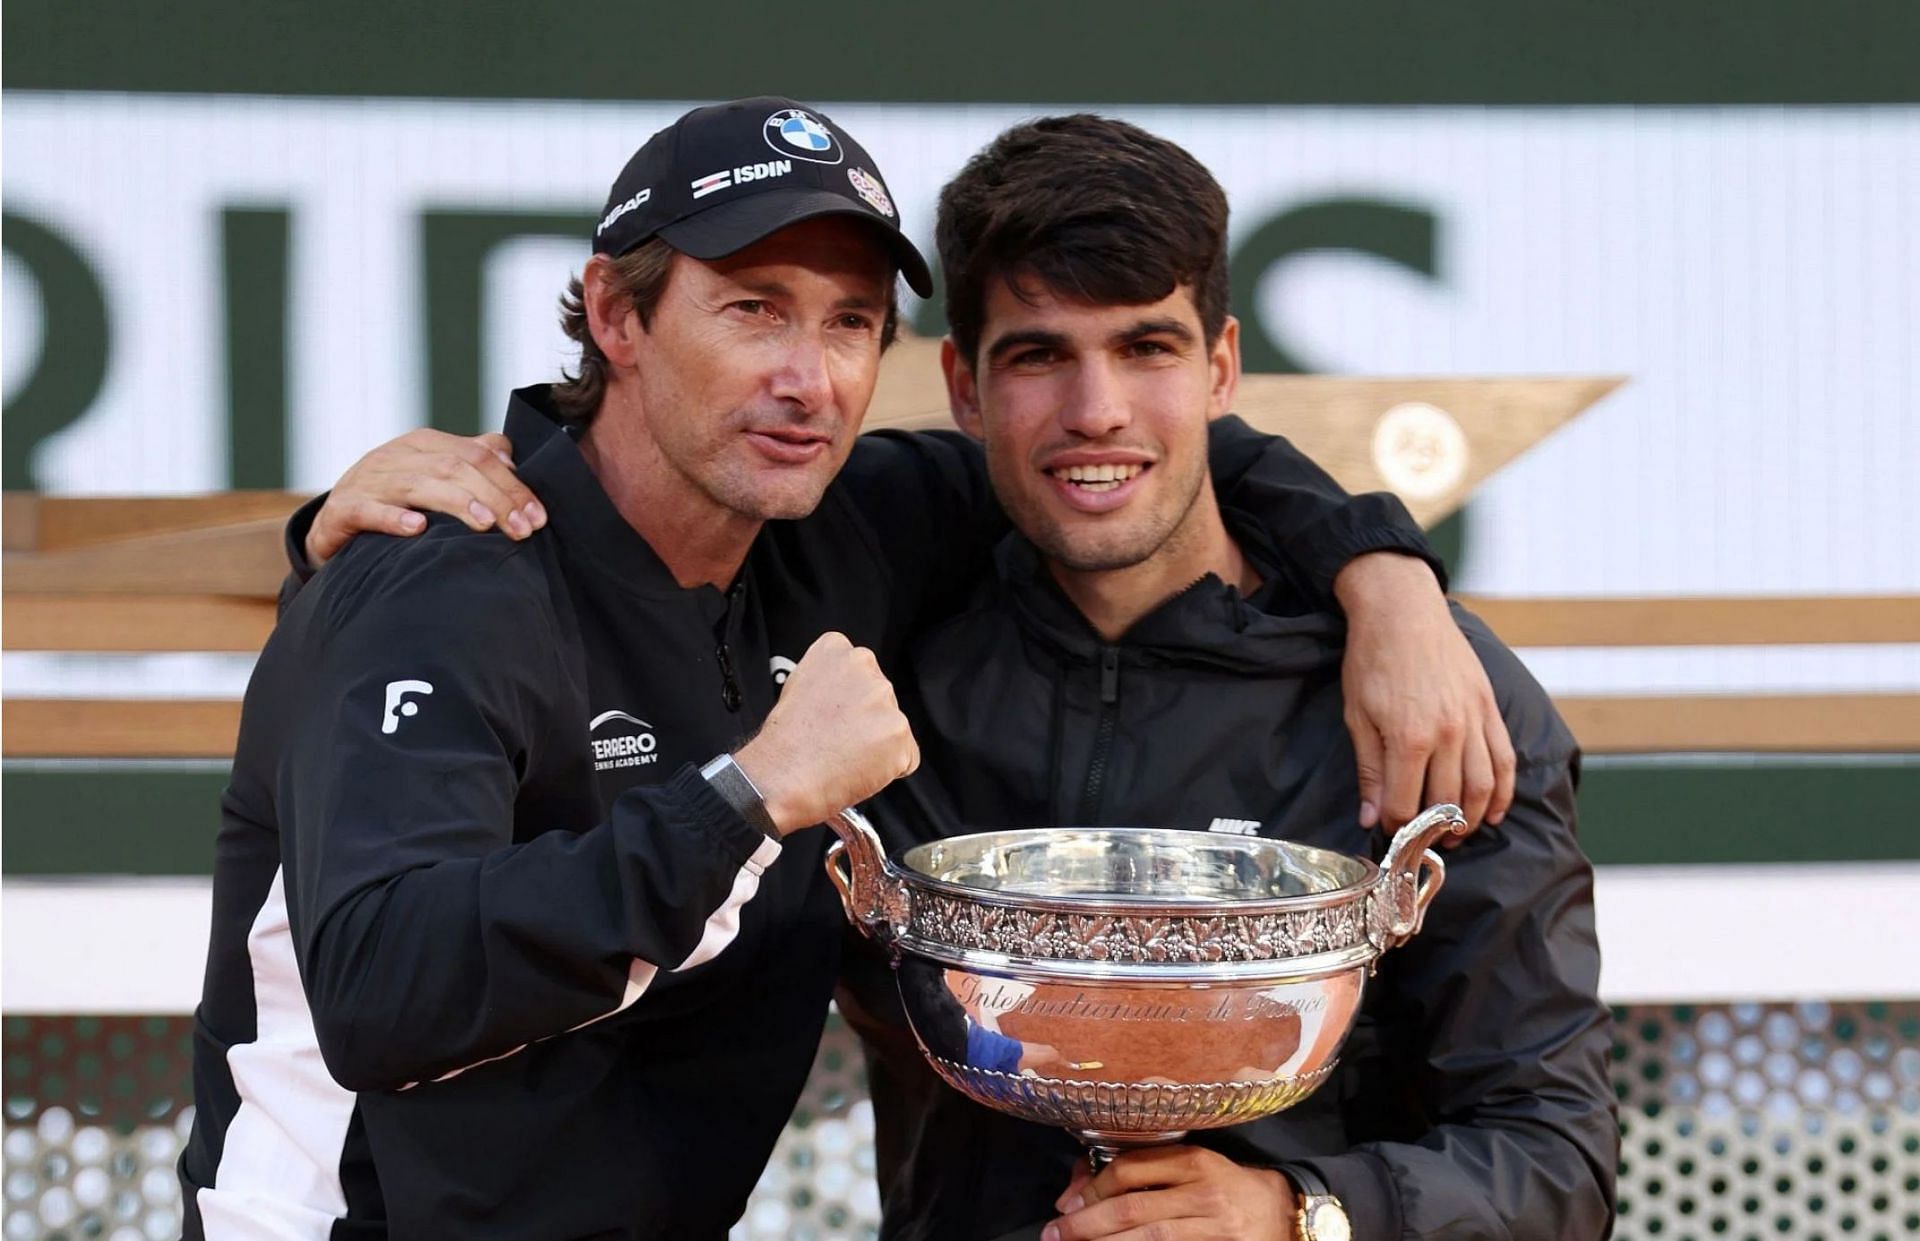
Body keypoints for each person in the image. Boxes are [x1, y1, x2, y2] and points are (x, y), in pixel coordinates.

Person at [182, 98, 1500, 1240]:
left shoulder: (832, 528)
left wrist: (1385, 579)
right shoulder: (442, 574)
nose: (806, 377)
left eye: (849, 322)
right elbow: (381, 991)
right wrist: (750, 795)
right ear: (615, 314)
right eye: (754, 310)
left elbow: (1132, 453)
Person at [837, 115, 1619, 1240]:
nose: (1095, 408)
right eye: (1040, 354)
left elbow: (1556, 1161)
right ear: (963, 384)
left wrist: (1296, 1213)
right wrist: (496, 466)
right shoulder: (889, 644)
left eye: (1147, 348)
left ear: (1221, 367)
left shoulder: (1424, 696)